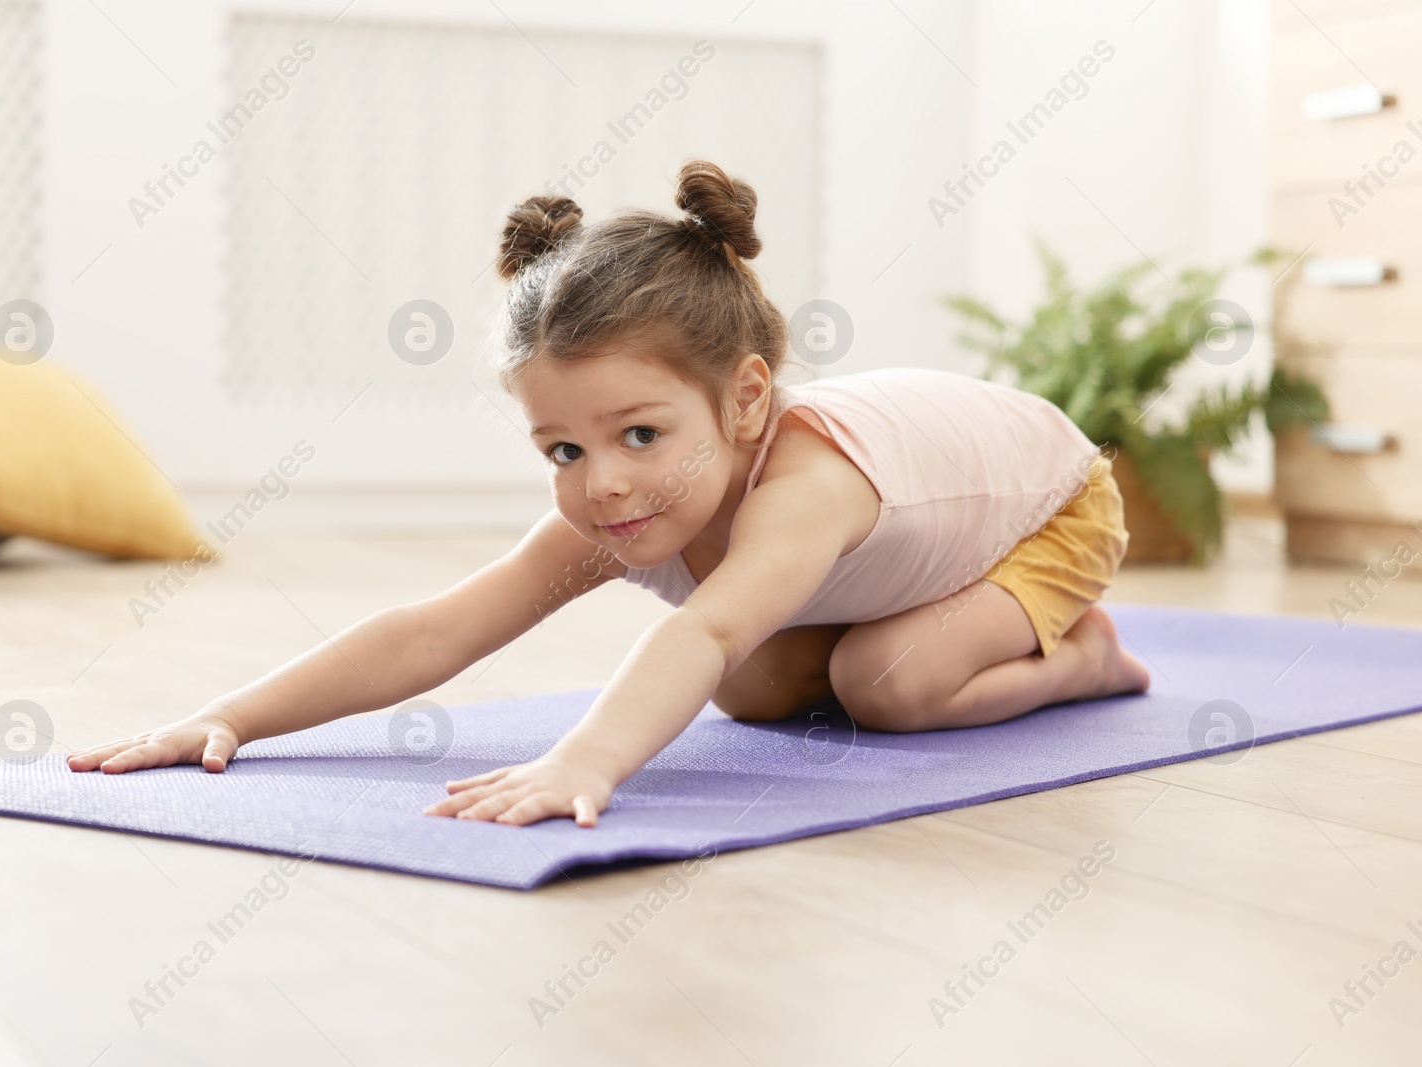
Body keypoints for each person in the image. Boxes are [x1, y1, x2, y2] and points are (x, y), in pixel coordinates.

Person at [68, 160, 1150, 828]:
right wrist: (231, 717)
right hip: (910, 542)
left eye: (638, 433)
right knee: (748, 687)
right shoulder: (622, 500)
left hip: (1048, 507)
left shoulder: (807, 485)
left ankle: (1082, 658)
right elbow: (433, 630)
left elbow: (710, 621)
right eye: (562, 451)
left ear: (745, 400)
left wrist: (586, 757)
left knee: (882, 684)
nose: (605, 482)